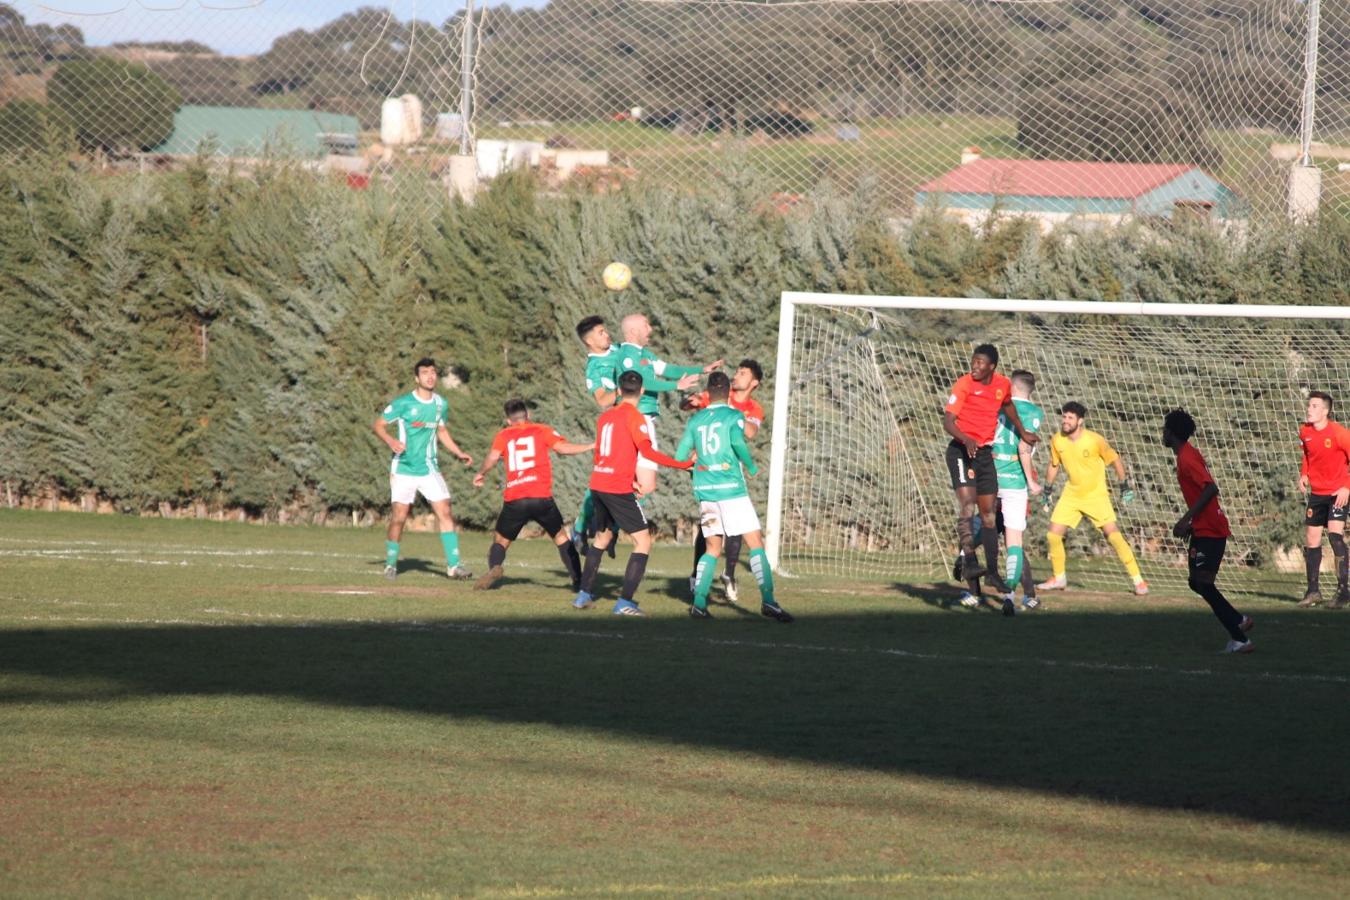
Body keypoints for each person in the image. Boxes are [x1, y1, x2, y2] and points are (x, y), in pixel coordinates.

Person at [572, 370, 694, 616]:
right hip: (616, 487)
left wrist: (629, 481)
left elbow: (605, 454)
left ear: (618, 390)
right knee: (643, 541)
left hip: (599, 483)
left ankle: (583, 595)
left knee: (602, 538)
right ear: (641, 391)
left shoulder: (605, 417)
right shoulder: (636, 418)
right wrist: (683, 464)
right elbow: (647, 453)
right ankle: (624, 601)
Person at [675, 372, 793, 622]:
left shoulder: (696, 421)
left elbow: (681, 454)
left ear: (708, 392)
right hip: (731, 489)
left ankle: (698, 604)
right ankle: (769, 602)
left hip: (706, 491)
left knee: (712, 548)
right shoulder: (733, 415)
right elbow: (739, 443)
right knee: (755, 543)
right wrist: (750, 466)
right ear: (728, 391)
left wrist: (692, 466)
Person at [943, 344, 1038, 599]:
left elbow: (1008, 406)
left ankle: (993, 573)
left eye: (980, 363)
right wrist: (965, 438)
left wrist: (1022, 431)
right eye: (973, 361)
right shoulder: (963, 384)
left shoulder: (1002, 385)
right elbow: (948, 422)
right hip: (961, 451)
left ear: (991, 367)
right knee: (967, 505)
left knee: (988, 515)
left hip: (983, 454)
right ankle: (971, 561)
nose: (974, 366)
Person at [471, 399, 595, 591]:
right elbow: (562, 448)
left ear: (508, 420)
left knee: (501, 540)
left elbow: (493, 457)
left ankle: (495, 567)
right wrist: (589, 446)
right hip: (541, 497)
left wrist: (481, 473)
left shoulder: (503, 435)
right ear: (528, 414)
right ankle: (579, 582)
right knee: (561, 538)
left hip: (516, 498)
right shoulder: (542, 430)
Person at [372, 357, 474, 580]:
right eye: (425, 372)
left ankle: (454, 566)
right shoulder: (403, 403)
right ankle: (390, 564)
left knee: (445, 512)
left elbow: (442, 432)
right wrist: (391, 442)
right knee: (399, 517)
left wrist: (458, 452)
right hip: (404, 469)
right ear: (416, 378)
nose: (430, 376)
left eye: (433, 372)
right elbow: (378, 425)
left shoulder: (440, 404)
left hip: (429, 468)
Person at [1162, 409, 1254, 652]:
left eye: (1165, 429)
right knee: (1196, 582)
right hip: (1202, 528)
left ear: (1172, 432)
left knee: (1202, 583)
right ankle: (1238, 621)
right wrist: (1192, 523)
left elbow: (1211, 489)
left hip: (1211, 530)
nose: (1163, 433)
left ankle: (1240, 638)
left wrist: (1185, 520)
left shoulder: (1187, 458)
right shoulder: (1185, 455)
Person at [1037, 401, 1147, 594]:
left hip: (1096, 496)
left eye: (1070, 418)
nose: (1065, 421)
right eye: (1064, 417)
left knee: (1113, 535)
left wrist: (1124, 485)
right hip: (1071, 494)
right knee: (1053, 534)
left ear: (1080, 421)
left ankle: (1139, 581)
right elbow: (1054, 465)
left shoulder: (1095, 440)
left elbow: (1115, 460)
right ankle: (1059, 577)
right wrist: (1047, 490)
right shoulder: (1057, 440)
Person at [680, 359, 766, 602]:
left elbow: (750, 432)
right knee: (710, 525)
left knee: (735, 526)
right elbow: (685, 405)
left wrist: (727, 409)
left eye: (743, 373)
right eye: (737, 371)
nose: (736, 375)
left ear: (754, 383)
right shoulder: (715, 396)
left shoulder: (753, 408)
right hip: (708, 468)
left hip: (731, 470)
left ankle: (728, 574)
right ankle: (697, 575)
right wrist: (690, 401)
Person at [615, 313, 720, 501]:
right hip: (635, 418)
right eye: (646, 325)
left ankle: (614, 522)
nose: (651, 329)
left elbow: (669, 370)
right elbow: (641, 382)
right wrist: (676, 386)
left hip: (642, 419)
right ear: (632, 331)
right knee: (643, 485)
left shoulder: (644, 354)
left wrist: (701, 369)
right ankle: (623, 522)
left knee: (639, 484)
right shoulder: (627, 355)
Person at [989, 369, 1045, 615]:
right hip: (1014, 480)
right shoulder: (1034, 413)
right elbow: (1024, 447)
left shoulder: (996, 405)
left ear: (1011, 387)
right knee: (1014, 541)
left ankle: (967, 561)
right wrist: (1032, 483)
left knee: (981, 526)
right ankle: (1010, 594)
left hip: (990, 473)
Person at [569, 316, 622, 548]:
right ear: (589, 341)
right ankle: (579, 528)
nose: (606, 334)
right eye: (601, 332)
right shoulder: (594, 368)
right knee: (602, 480)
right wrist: (624, 389)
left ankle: (614, 529)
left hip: (637, 422)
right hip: (615, 427)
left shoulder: (621, 349)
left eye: (605, 330)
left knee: (636, 481)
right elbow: (602, 400)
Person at [1296, 391, 1350, 608]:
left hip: (1338, 493)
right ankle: (1313, 592)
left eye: (1315, 406)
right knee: (1311, 538)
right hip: (1317, 494)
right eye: (1309, 405)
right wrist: (1303, 473)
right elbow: (1307, 454)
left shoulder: (1339, 433)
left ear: (1325, 411)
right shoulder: (1305, 431)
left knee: (1335, 537)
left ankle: (1344, 592)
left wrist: (1347, 487)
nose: (1310, 409)